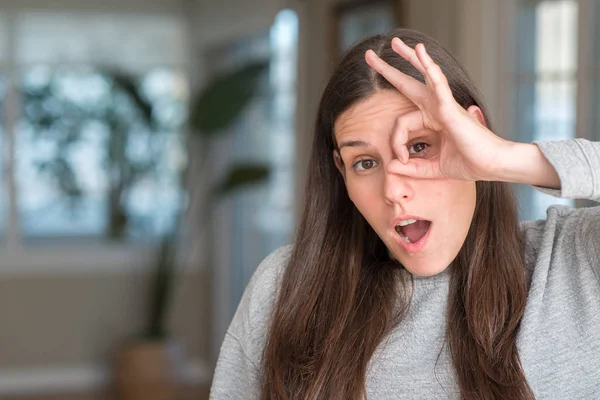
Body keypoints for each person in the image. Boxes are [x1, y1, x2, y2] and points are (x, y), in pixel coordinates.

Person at [209, 28, 600, 399]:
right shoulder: (285, 287)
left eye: (418, 148)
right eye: (364, 162)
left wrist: (502, 157)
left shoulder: (574, 261)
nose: (394, 190)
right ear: (340, 171)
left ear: (472, 135)